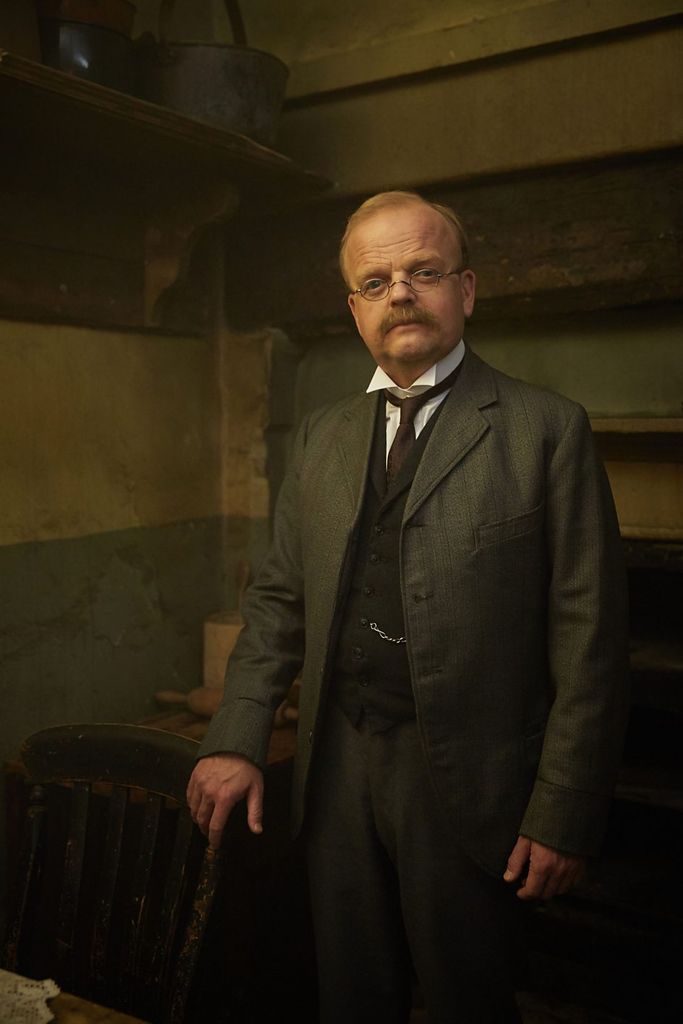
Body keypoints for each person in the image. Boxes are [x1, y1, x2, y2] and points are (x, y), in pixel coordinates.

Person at [187, 190, 630, 1023]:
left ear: (465, 289)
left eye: (423, 272)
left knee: (468, 1000)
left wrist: (563, 813)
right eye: (376, 281)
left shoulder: (546, 430)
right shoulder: (318, 436)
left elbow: (590, 642)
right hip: (334, 770)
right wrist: (236, 737)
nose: (399, 293)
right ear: (354, 308)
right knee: (351, 996)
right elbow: (278, 601)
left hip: (469, 782)